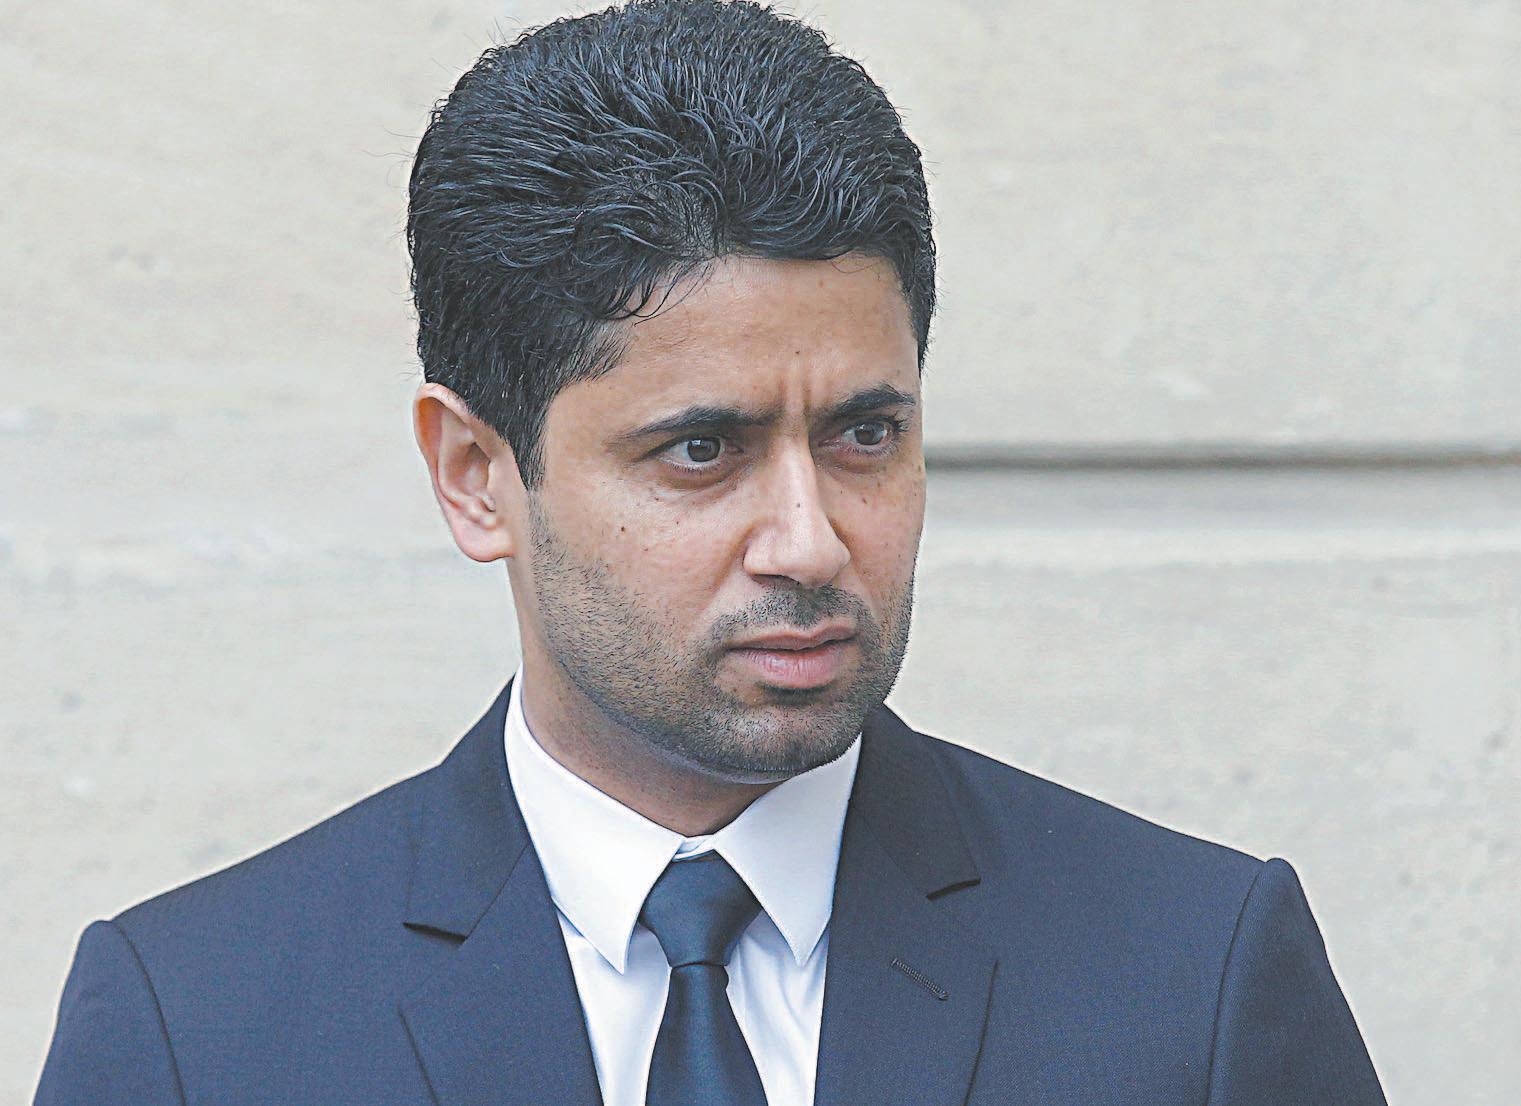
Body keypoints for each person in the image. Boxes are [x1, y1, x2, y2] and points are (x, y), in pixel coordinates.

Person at [35, 1, 1387, 1102]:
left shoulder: (1194, 977)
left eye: (864, 435)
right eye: (700, 450)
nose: (810, 540)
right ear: (474, 475)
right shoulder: (196, 1030)